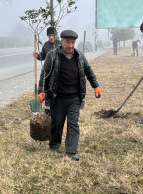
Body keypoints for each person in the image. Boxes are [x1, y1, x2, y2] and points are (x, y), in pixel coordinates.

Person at [37, 29, 102, 161]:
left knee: (73, 124)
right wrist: (41, 91)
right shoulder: (52, 55)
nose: (71, 45)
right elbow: (44, 74)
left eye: (73, 42)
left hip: (75, 97)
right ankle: (54, 145)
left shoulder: (80, 56)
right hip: (58, 96)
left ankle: (71, 151)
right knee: (57, 122)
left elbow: (89, 71)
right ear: (61, 42)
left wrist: (96, 86)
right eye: (68, 42)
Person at [33, 26, 61, 116]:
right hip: (48, 74)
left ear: (55, 35)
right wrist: (37, 56)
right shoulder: (46, 45)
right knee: (48, 93)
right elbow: (43, 56)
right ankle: (47, 114)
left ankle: (57, 111)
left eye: (52, 35)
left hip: (58, 74)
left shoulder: (60, 44)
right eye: (49, 35)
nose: (51, 37)